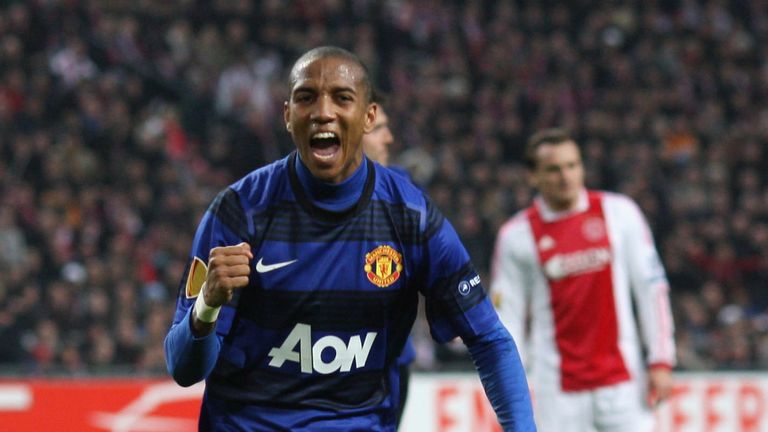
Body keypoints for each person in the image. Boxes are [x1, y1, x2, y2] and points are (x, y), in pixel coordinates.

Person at [165, 46, 536, 431]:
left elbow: (490, 339)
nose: (323, 112)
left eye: (342, 98)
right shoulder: (238, 212)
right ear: (288, 115)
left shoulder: (410, 217)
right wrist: (206, 307)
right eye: (306, 97)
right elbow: (183, 369)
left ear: (368, 116)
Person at [490, 128, 676, 432]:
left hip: (624, 386)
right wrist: (509, 390)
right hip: (557, 392)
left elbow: (651, 288)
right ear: (532, 176)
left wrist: (661, 360)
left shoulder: (620, 213)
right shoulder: (517, 236)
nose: (566, 176)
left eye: (572, 166)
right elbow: (507, 318)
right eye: (553, 169)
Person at [361, 90, 416, 426]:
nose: (389, 137)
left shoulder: (402, 187)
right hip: (329, 357)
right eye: (379, 128)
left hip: (392, 357)